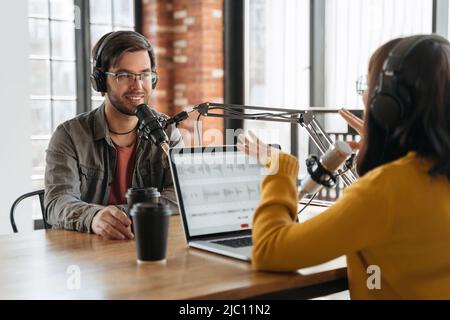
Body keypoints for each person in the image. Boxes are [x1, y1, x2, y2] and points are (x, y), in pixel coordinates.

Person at [238, 35, 450, 299]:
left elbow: (270, 250)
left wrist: (279, 166)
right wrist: (387, 153)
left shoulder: (387, 190)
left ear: (389, 104)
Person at [44, 31, 184, 240]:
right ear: (100, 81)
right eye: (124, 75)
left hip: (146, 245)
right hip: (87, 258)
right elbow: (57, 203)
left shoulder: (167, 131)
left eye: (145, 74)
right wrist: (94, 217)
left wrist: (122, 212)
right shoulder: (69, 136)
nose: (137, 86)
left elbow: (181, 194)